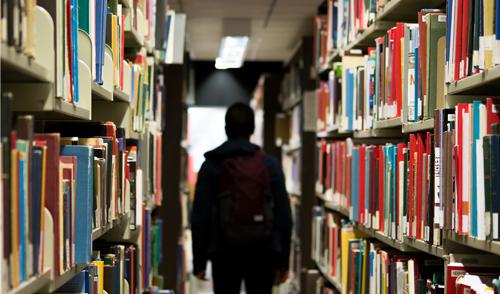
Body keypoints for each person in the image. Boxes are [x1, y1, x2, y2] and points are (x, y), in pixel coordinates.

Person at [191, 102, 293, 294]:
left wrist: (200, 261)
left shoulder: (211, 165)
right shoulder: (269, 165)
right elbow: (284, 216)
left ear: (226, 129)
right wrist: (283, 262)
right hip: (263, 251)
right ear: (253, 129)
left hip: (223, 252)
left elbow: (200, 216)